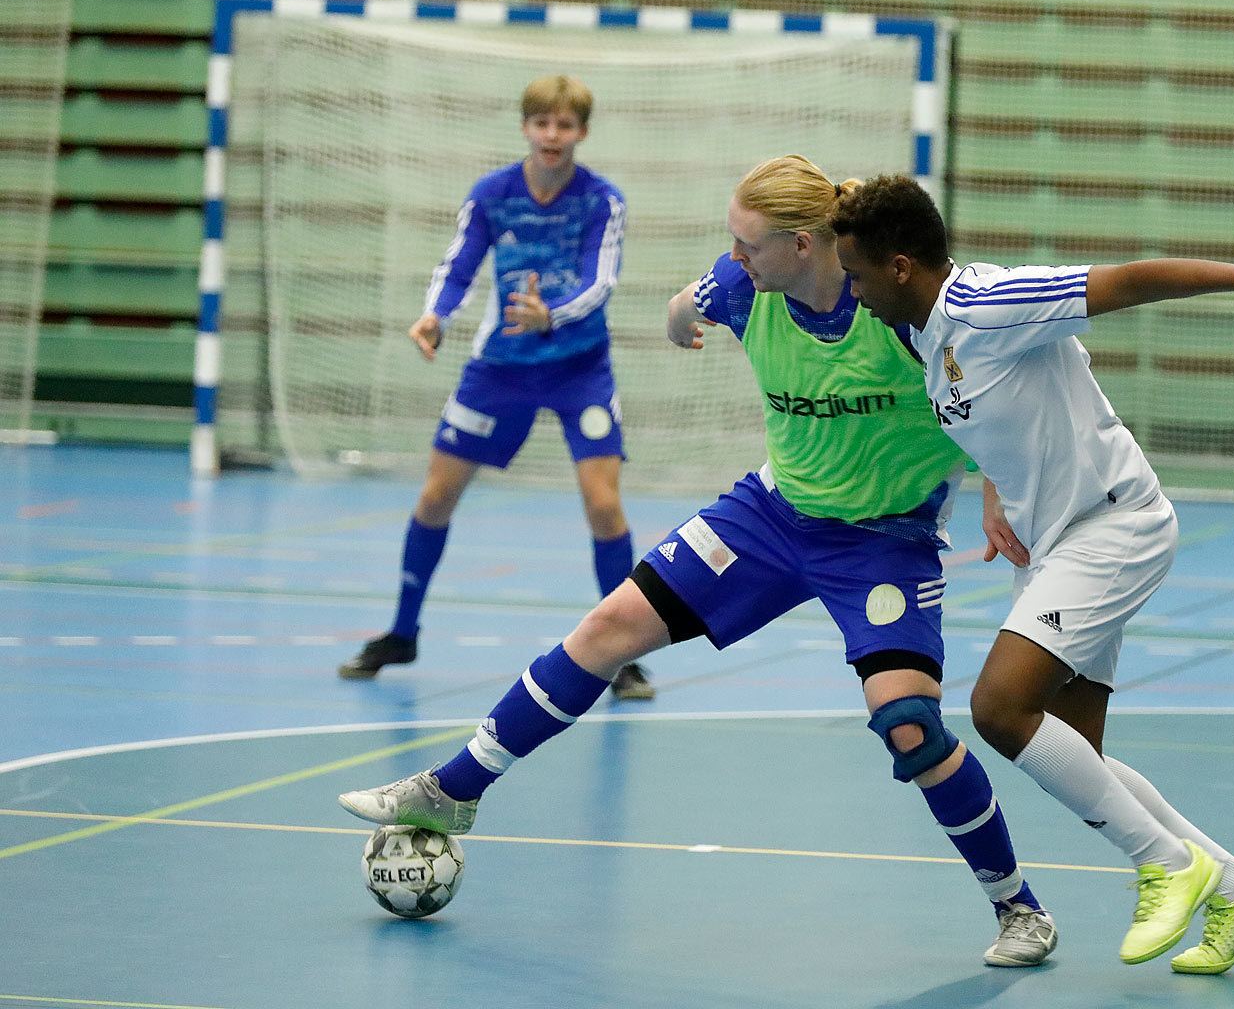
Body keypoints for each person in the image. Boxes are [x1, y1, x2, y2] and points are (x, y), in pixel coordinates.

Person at [340, 155, 1058, 967]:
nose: (734, 256)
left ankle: (1018, 907)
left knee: (910, 728)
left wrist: (996, 486)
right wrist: (684, 314)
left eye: (747, 244)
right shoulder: (746, 285)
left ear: (801, 244)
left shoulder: (895, 310)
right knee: (610, 626)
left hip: (882, 541)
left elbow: (989, 384)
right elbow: (684, 305)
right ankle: (452, 790)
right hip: (772, 515)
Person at [829, 173, 1234, 973]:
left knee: (1000, 710)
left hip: (1114, 526)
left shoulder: (987, 303)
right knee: (1077, 754)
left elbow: (1131, 280)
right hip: (1054, 544)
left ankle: (1170, 867)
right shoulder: (921, 328)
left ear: (901, 267)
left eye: (858, 274)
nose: (852, 292)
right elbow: (1003, 402)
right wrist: (995, 491)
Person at [336, 74, 652, 701]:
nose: (552, 136)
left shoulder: (602, 201)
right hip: (500, 367)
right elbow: (458, 264)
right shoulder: (491, 194)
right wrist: (435, 316)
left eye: (565, 125)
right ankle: (401, 632)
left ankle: (623, 656)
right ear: (526, 128)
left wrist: (551, 314)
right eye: (542, 124)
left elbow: (601, 279)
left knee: (604, 505)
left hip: (577, 367)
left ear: (582, 133)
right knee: (435, 497)